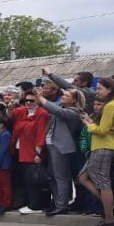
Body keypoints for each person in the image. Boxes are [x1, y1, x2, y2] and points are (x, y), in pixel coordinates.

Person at [78, 78, 114, 226]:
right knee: (83, 177)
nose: (97, 91)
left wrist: (88, 123)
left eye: (99, 89)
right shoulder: (113, 104)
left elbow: (102, 130)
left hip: (105, 146)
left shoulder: (112, 105)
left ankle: (109, 219)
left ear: (109, 90)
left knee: (103, 182)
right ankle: (109, 207)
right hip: (100, 145)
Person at [38, 85, 85, 216]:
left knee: (61, 176)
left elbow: (56, 110)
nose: (63, 97)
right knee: (52, 175)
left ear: (74, 100)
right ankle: (57, 201)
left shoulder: (74, 112)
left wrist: (40, 97)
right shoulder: (62, 108)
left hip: (61, 147)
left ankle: (62, 204)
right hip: (52, 145)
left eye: (66, 96)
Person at [8, 89, 50, 214]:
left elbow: (41, 133)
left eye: (32, 100)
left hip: (32, 150)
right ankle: (28, 202)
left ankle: (36, 205)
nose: (28, 103)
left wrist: (38, 152)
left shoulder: (42, 113)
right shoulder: (22, 112)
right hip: (20, 149)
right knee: (25, 179)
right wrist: (10, 107)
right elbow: (10, 114)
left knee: (34, 179)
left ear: (38, 101)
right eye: (26, 100)